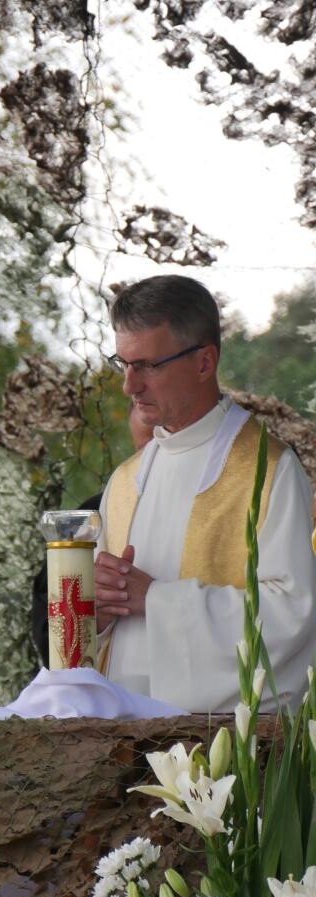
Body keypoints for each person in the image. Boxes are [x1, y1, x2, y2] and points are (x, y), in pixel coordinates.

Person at [93, 274, 316, 712]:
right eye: (123, 364)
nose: (129, 386)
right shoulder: (123, 483)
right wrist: (98, 610)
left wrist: (155, 600)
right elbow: (99, 636)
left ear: (203, 362)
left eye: (147, 366)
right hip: (114, 735)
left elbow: (294, 614)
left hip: (217, 754)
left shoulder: (266, 471)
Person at [32, 405, 153, 667]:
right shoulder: (90, 517)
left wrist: (157, 598)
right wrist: (91, 615)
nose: (155, 458)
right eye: (147, 449)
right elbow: (49, 630)